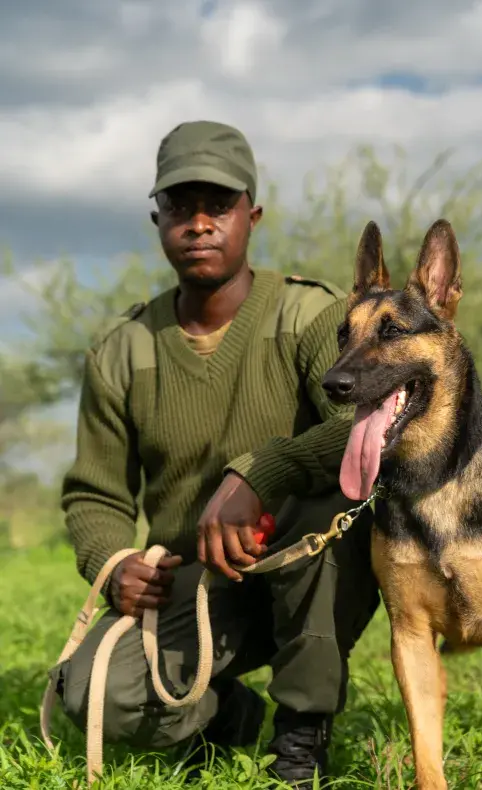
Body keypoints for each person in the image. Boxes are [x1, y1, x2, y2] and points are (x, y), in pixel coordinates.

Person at [51, 120, 380, 786]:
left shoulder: (310, 316)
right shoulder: (122, 350)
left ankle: (300, 741)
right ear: (157, 219)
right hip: (193, 582)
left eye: (218, 206)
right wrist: (115, 565)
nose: (198, 223)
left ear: (251, 216)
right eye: (179, 206)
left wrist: (263, 472)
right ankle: (225, 711)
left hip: (304, 562)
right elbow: (95, 492)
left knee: (327, 504)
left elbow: (365, 425)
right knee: (91, 699)